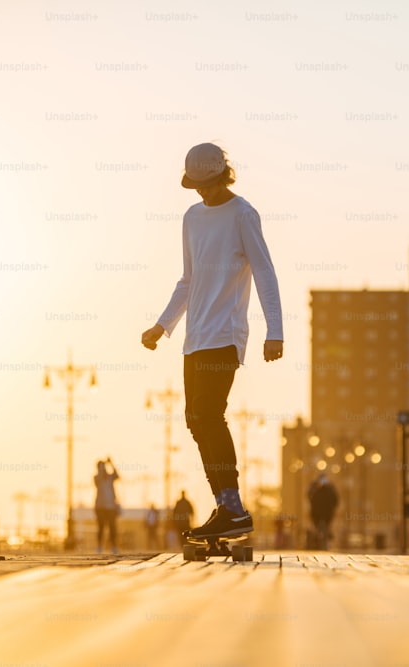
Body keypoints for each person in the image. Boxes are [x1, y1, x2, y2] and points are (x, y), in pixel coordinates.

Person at [142, 142, 284, 540]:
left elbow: (264, 272)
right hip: (195, 337)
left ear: (223, 176)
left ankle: (234, 507)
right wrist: (162, 325)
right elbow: (188, 280)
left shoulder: (243, 214)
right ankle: (226, 506)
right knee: (195, 420)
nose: (201, 193)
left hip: (226, 334)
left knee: (209, 415)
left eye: (207, 185)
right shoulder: (191, 218)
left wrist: (276, 331)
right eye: (196, 187)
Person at [94, 458, 120, 554]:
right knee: (101, 527)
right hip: (100, 507)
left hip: (111, 507)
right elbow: (98, 480)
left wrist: (111, 463)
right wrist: (101, 469)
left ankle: (114, 546)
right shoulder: (96, 477)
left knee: (112, 527)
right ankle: (99, 546)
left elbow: (117, 475)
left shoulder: (110, 477)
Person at [307, 472, 339, 550]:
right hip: (324, 512)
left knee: (321, 525)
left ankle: (322, 535)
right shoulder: (330, 487)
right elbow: (336, 499)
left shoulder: (315, 487)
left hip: (320, 512)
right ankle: (324, 535)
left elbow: (309, 496)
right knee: (324, 525)